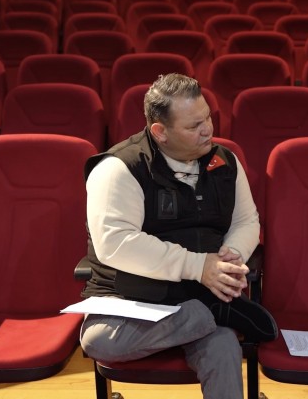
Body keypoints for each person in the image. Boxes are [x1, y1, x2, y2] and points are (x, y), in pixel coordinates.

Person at [79, 73, 277, 399]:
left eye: (208, 118)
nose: (208, 129)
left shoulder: (225, 162)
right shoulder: (118, 168)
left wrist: (230, 257)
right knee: (98, 341)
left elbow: (246, 220)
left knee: (223, 347)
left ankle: (208, 313)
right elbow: (115, 243)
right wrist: (198, 266)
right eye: (194, 125)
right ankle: (209, 313)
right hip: (131, 298)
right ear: (160, 132)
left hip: (200, 290)